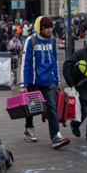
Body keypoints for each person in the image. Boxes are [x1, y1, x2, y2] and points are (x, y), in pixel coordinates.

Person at [20, 16, 70, 149]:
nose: (50, 30)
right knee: (32, 107)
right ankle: (29, 129)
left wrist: (57, 80)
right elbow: (25, 63)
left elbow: (54, 61)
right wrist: (23, 84)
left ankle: (55, 136)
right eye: (47, 27)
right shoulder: (31, 41)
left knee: (52, 107)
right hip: (34, 81)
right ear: (40, 28)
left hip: (49, 81)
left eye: (50, 27)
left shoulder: (52, 40)